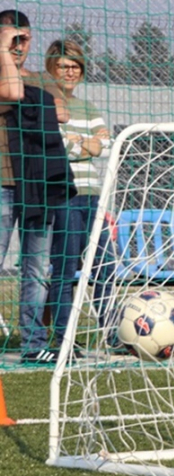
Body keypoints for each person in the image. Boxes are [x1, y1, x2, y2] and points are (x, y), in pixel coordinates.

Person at [0, 10, 75, 365]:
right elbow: (14, 91)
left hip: (38, 186)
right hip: (2, 184)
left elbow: (61, 111)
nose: (19, 46)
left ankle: (32, 343)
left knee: (36, 269)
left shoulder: (41, 80)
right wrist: (3, 50)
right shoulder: (12, 78)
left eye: (24, 39)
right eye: (13, 39)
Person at [44, 39, 114, 360]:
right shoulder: (46, 104)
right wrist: (88, 144)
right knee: (66, 267)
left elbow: (109, 146)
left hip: (93, 198)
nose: (69, 72)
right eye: (63, 66)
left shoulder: (88, 108)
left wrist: (80, 142)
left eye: (75, 66)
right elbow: (58, 148)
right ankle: (62, 337)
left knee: (105, 265)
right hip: (64, 196)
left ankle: (112, 334)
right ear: (51, 69)